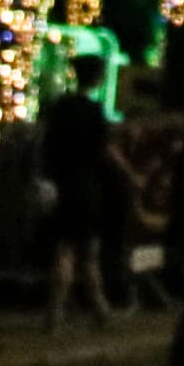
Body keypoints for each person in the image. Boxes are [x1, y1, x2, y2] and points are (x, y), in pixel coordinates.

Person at [38, 53, 130, 331]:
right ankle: (100, 309)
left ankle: (55, 314)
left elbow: (47, 146)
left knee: (63, 250)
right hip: (86, 186)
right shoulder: (94, 112)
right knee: (89, 252)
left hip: (61, 186)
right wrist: (129, 174)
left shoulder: (60, 108)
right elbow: (106, 151)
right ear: (97, 78)